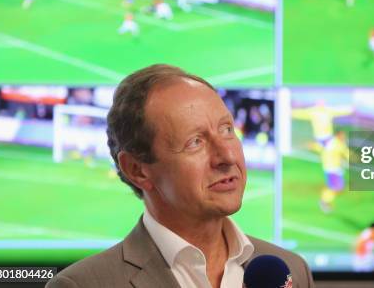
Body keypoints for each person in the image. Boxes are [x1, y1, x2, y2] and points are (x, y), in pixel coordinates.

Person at [46, 64, 314, 288]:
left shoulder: (292, 271)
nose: (228, 157)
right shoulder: (83, 285)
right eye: (195, 142)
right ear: (137, 170)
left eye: (227, 129)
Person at [319, 130, 348, 213]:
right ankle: (324, 201)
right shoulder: (338, 144)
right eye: (342, 135)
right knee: (337, 188)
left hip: (331, 168)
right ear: (338, 135)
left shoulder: (331, 142)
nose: (344, 137)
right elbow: (346, 153)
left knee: (338, 188)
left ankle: (325, 200)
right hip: (333, 169)